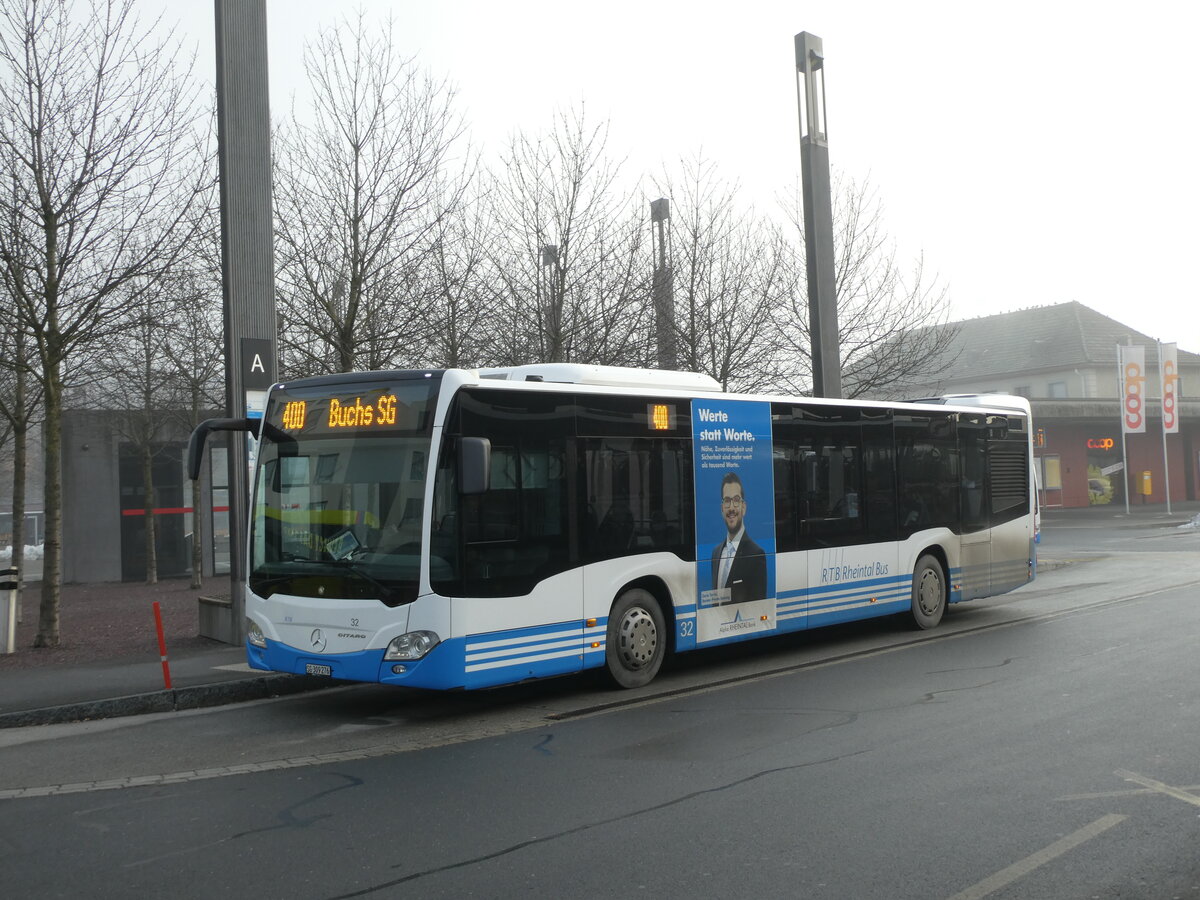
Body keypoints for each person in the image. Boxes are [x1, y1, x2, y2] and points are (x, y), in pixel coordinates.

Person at [710, 471, 767, 603]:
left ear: (743, 507)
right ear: (721, 508)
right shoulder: (716, 553)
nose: (731, 508)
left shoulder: (756, 554)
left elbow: (758, 605)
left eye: (736, 500)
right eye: (727, 501)